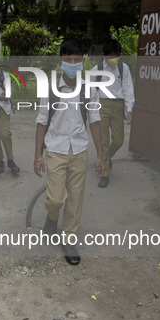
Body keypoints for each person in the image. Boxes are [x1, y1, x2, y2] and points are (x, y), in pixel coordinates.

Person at [34, 38, 105, 266]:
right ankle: (52, 217)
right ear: (59, 61)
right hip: (55, 150)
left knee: (75, 198)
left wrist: (101, 155)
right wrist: (38, 156)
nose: (73, 64)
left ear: (83, 61)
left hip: (80, 150)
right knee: (55, 199)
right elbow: (42, 122)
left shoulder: (89, 90)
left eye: (77, 60)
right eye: (68, 60)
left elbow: (94, 121)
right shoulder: (51, 89)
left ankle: (69, 239)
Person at [93, 39, 135, 188]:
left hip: (118, 106)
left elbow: (128, 89)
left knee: (118, 140)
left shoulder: (123, 69)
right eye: (111, 56)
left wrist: (129, 109)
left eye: (116, 55)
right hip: (102, 106)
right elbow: (90, 91)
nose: (113, 59)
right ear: (104, 55)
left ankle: (104, 158)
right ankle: (105, 174)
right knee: (103, 141)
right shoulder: (96, 69)